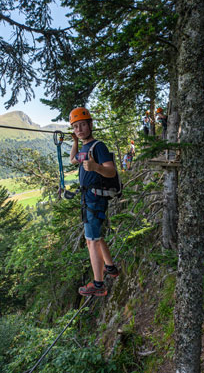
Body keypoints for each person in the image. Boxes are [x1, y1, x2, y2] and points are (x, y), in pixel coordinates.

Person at [69, 107, 120, 296]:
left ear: (90, 125)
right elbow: (74, 159)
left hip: (96, 199)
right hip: (89, 198)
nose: (79, 129)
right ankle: (110, 267)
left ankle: (98, 285)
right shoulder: (84, 147)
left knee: (91, 241)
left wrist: (96, 167)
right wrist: (75, 142)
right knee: (96, 237)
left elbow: (111, 171)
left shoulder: (98, 146)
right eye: (75, 127)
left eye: (82, 125)